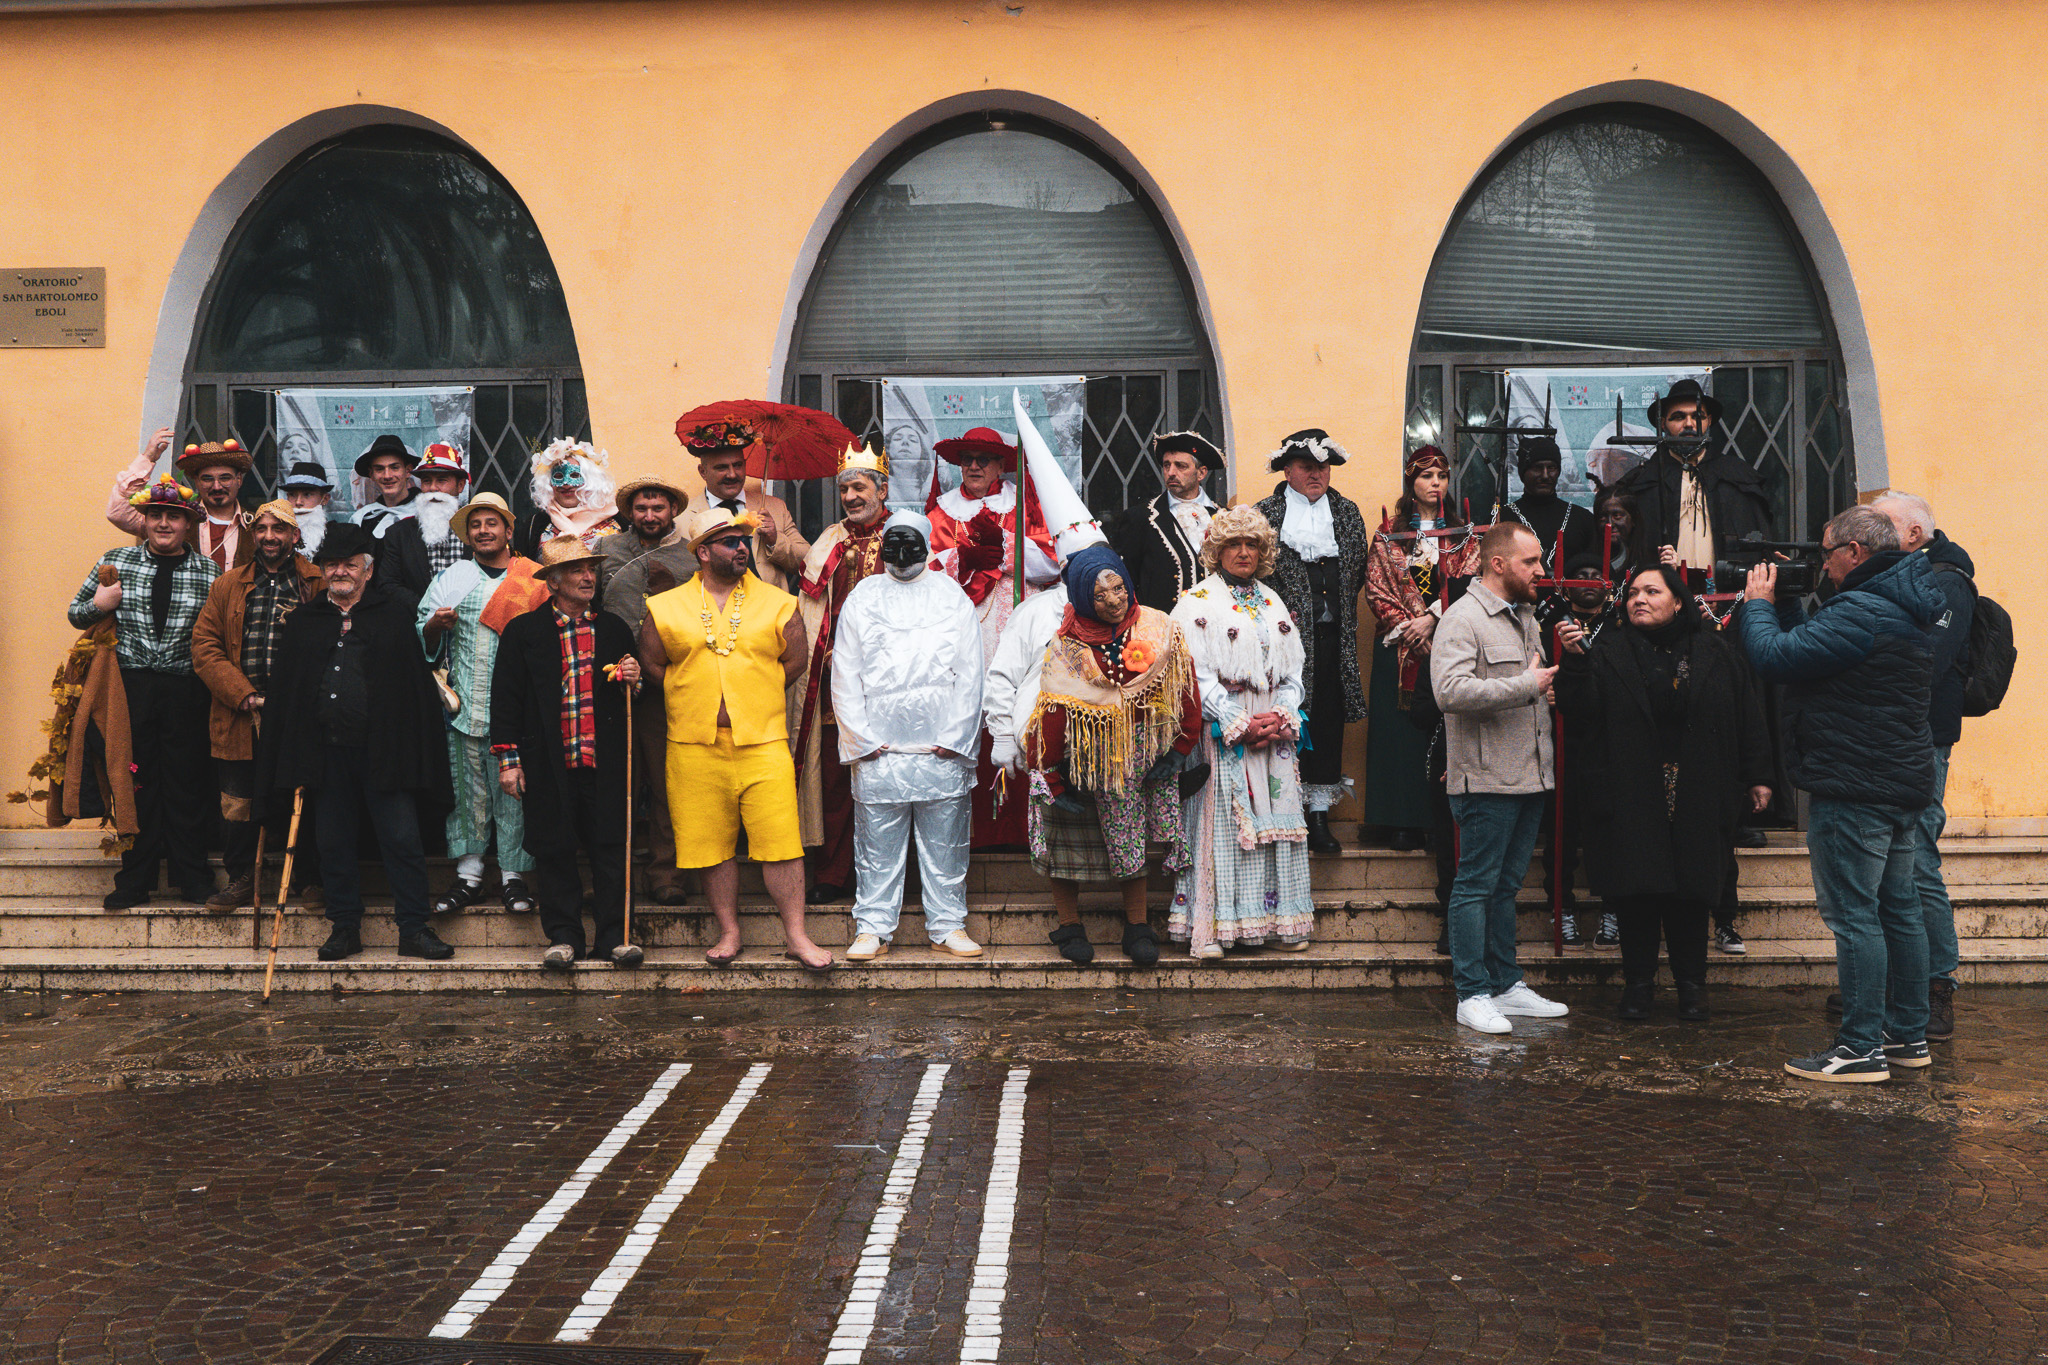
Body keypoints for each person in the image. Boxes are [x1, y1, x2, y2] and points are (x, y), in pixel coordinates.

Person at [1739, 506, 1945, 1082]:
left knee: (1856, 917)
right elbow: (1816, 648)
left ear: (1855, 551)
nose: (1822, 565)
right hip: (1897, 783)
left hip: (1855, 787)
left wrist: (1757, 605)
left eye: (1826, 552)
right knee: (1898, 909)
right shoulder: (1900, 604)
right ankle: (1907, 1037)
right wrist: (1784, 602)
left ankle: (1859, 1048)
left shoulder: (1861, 610)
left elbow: (1775, 657)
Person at [1556, 565, 1773, 1020]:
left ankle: (1692, 989)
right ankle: (1638, 988)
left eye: (1652, 591)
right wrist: (1575, 661)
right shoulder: (1607, 652)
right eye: (1633, 592)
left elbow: (1747, 716)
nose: (1639, 599)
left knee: (1691, 894)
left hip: (1698, 788)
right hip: (1630, 790)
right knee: (1636, 893)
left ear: (1678, 601)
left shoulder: (1715, 651)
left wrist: (1758, 776)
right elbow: (1578, 714)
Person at [639, 507, 832, 971]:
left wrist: (753, 694)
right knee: (711, 844)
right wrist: (694, 694)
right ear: (702, 552)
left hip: (762, 741)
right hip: (693, 744)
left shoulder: (778, 603)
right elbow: (652, 663)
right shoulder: (663, 607)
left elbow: (796, 662)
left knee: (782, 843)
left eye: (743, 540)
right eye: (729, 541)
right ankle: (729, 932)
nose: (741, 547)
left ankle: (797, 936)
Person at [257, 522, 453, 961]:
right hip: (324, 754)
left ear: (367, 571)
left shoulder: (393, 617)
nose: (340, 571)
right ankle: (345, 928)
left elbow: (413, 694)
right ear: (322, 570)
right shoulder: (306, 622)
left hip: (385, 751)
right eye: (331, 564)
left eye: (350, 564)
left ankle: (414, 929)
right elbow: (289, 694)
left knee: (402, 839)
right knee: (333, 842)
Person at [1024, 545, 1200, 967]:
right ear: (1083, 598)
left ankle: (1137, 926)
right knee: (1065, 836)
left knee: (1131, 838)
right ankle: (1069, 925)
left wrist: (1181, 748)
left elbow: (1185, 686)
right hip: (1080, 757)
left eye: (1118, 588)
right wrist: (1049, 773)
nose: (1114, 601)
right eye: (1099, 596)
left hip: (1140, 756)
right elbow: (1052, 708)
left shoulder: (1159, 627)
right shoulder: (1066, 645)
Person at [1431, 522, 1570, 1034]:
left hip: (1530, 775)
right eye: (1531, 562)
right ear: (1497, 563)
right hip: (1485, 778)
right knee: (1475, 886)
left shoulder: (1524, 616)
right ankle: (1472, 993)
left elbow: (1525, 687)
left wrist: (1539, 690)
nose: (1541, 570)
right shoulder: (1462, 619)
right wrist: (1524, 685)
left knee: (1507, 886)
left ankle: (1507, 984)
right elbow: (1449, 692)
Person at [834, 511, 987, 962]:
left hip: (939, 746)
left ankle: (948, 925)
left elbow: (970, 671)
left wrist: (957, 736)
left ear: (924, 546)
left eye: (909, 544)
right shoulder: (864, 596)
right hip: (880, 747)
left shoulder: (949, 596)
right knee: (876, 845)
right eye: (892, 545)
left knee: (946, 843)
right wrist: (861, 739)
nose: (900, 555)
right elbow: (845, 671)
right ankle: (873, 928)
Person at [69, 475, 223, 910]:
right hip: (130, 688)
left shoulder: (210, 573)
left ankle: (192, 878)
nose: (163, 524)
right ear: (145, 520)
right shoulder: (116, 562)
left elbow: (220, 635)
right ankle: (135, 880)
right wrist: (100, 604)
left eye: (173, 517)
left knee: (187, 783)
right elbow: (75, 613)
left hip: (186, 690)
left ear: (188, 524)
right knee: (134, 780)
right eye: (156, 515)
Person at [491, 535, 645, 970]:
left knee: (612, 847)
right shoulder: (524, 631)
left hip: (605, 762)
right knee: (554, 848)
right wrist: (509, 760)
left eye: (591, 570)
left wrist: (634, 676)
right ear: (553, 582)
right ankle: (564, 938)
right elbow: (506, 699)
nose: (588, 577)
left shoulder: (613, 629)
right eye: (577, 571)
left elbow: (635, 693)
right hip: (548, 763)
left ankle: (615, 938)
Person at [1168, 507, 1312, 958]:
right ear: (1217, 550)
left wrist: (1283, 713)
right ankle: (1211, 928)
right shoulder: (1195, 602)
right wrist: (1238, 722)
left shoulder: (1274, 602)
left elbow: (1293, 671)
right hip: (1223, 728)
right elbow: (1193, 674)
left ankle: (1274, 923)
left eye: (1253, 544)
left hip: (1272, 731)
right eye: (1234, 544)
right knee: (1224, 826)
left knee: (1276, 821)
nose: (1244, 552)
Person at [1871, 492, 1975, 1043]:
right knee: (1892, 862)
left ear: (1913, 533)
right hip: (1892, 736)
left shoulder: (1948, 579)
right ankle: (1897, 981)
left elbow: (1925, 663)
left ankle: (1938, 985)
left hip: (1922, 738)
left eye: (1882, 523)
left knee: (1919, 863)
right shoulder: (1901, 572)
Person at [927, 425, 1060, 849]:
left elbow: (1052, 563)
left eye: (983, 458)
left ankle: (1025, 828)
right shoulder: (941, 513)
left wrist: (1005, 547)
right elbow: (926, 573)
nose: (974, 465)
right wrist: (962, 558)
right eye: (967, 458)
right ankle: (976, 831)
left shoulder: (1025, 507)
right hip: (961, 626)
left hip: (1016, 618)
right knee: (970, 711)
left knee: (1020, 708)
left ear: (1002, 465)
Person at [190, 499, 326, 912]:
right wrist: (242, 692)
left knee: (301, 796)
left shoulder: (315, 582)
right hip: (239, 714)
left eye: (279, 529)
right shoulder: (227, 585)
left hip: (298, 716)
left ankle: (307, 879)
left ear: (295, 535)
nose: (270, 536)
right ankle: (242, 880)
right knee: (238, 803)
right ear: (254, 534)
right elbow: (204, 646)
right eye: (263, 529)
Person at [418, 491, 550, 916]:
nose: (483, 531)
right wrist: (435, 626)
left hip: (518, 708)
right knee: (467, 793)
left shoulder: (535, 578)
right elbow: (421, 630)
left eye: (491, 523)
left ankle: (514, 878)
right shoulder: (452, 577)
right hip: (463, 707)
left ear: (509, 531)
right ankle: (469, 876)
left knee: (514, 791)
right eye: (475, 525)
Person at [1254, 428, 1372, 854]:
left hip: (1332, 639)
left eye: (1322, 467)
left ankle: (1318, 816)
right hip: (1279, 643)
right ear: (1288, 470)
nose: (1316, 474)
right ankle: (1284, 814)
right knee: (1285, 716)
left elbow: (1356, 570)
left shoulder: (1345, 512)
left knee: (1325, 718)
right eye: (1306, 467)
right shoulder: (1264, 514)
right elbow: (1254, 575)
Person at [793, 441, 896, 904]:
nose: (851, 496)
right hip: (839, 684)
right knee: (836, 780)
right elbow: (811, 605)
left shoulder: (905, 535)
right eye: (845, 489)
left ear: (882, 488)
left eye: (859, 486)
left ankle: (892, 876)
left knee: (890, 776)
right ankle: (833, 875)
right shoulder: (830, 540)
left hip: (893, 683)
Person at [1363, 445, 1480, 852]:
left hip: (1449, 645)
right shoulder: (1388, 532)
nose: (1436, 484)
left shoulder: (1463, 534)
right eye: (1428, 476)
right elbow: (1377, 588)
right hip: (1399, 649)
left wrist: (1432, 620)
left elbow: (1469, 581)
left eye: (1443, 476)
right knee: (1397, 735)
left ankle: (1436, 820)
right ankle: (1399, 820)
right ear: (1411, 481)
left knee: (1440, 732)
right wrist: (1408, 628)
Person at [596, 474, 694, 905]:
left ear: (672, 510)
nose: (650, 516)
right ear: (628, 512)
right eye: (641, 508)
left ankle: (665, 874)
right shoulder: (607, 550)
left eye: (658, 508)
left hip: (664, 684)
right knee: (613, 782)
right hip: (608, 681)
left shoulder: (691, 557)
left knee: (664, 780)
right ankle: (613, 876)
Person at [1612, 379, 1772, 575]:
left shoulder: (1737, 476)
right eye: (1678, 417)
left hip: (1724, 596)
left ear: (1709, 421)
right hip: (1662, 596)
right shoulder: (1644, 480)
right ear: (1663, 423)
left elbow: (1756, 544)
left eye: (1697, 416)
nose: (1689, 424)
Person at [1544, 551, 1619, 948]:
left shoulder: (1620, 626)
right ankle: (1562, 909)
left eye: (1596, 574)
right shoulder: (1549, 623)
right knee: (1562, 830)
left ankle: (1612, 910)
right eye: (1580, 575)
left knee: (1609, 831)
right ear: (1567, 585)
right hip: (1561, 742)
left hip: (1607, 742)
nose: (1589, 580)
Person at [678, 420, 810, 591]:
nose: (732, 474)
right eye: (721, 468)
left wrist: (775, 540)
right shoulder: (683, 519)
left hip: (770, 613)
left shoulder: (775, 507)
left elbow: (809, 564)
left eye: (738, 465)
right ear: (703, 472)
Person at [106, 431, 255, 570]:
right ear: (196, 482)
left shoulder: (258, 524)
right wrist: (148, 458)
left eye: (225, 478)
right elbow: (117, 513)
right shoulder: (176, 520)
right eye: (207, 479)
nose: (216, 486)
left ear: (239, 480)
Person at [1116, 430, 1225, 612]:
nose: (1171, 472)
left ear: (1201, 473)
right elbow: (1126, 581)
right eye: (1167, 465)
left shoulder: (1224, 517)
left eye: (1181, 466)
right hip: (1164, 626)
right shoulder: (1140, 518)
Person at [372, 443, 472, 596]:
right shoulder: (398, 534)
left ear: (460, 485)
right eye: (426, 481)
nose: (432, 488)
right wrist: (427, 612)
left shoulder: (476, 531)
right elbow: (388, 584)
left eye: (441, 480)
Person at [1500, 434, 1599, 575]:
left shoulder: (1582, 519)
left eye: (1551, 468)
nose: (1545, 475)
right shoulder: (1503, 520)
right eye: (1537, 468)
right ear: (1523, 472)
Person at [518, 439, 622, 557]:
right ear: (549, 483)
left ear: (590, 480)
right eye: (558, 476)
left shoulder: (616, 518)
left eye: (574, 475)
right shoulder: (536, 524)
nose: (566, 484)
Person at [353, 434, 421, 532]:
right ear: (371, 474)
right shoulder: (362, 518)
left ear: (408, 471)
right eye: (379, 469)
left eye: (395, 468)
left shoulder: (425, 513)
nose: (387, 476)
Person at [281, 461, 336, 559]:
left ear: (325, 499)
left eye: (307, 494)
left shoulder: (335, 536)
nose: (298, 502)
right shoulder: (276, 536)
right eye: (292, 495)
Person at [1593, 489, 1650, 582]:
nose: (1609, 524)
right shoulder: (1589, 562)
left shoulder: (1649, 562)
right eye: (1603, 517)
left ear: (1633, 519)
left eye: (1617, 516)